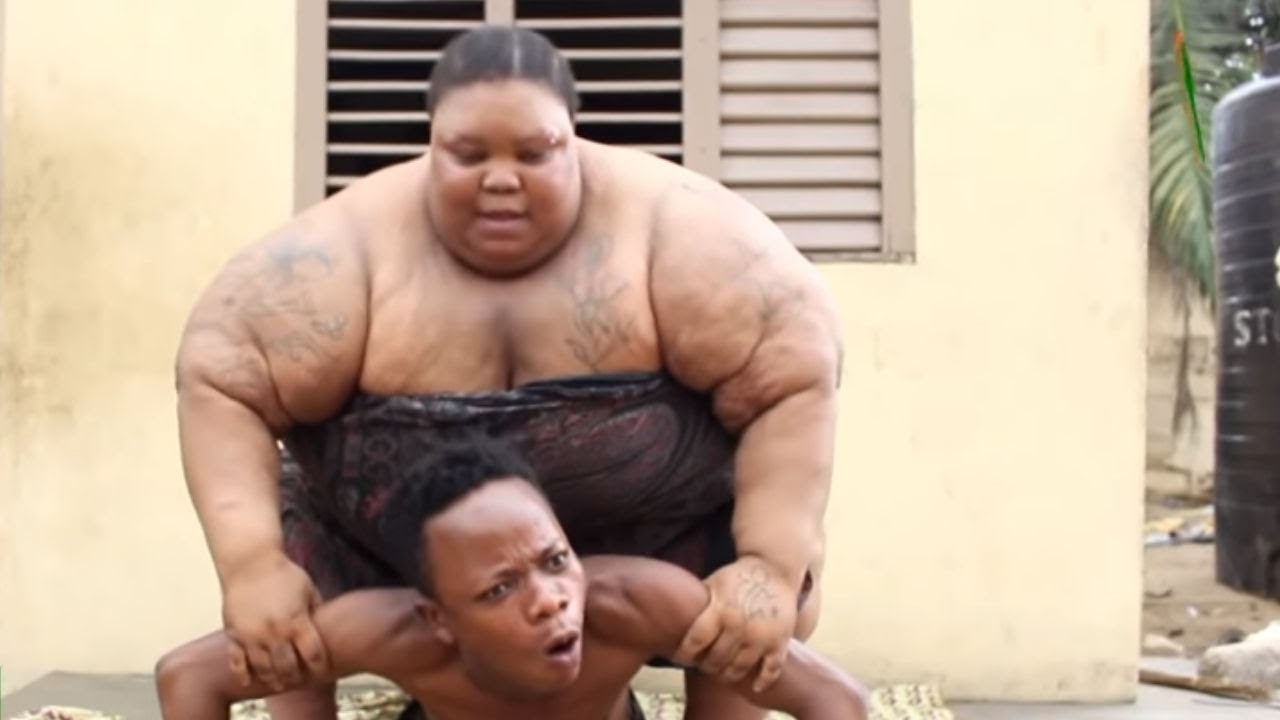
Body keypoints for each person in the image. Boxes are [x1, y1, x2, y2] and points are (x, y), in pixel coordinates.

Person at [175, 24, 841, 719]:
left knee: (762, 594)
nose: (501, 179)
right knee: (279, 603)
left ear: (572, 137)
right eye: (468, 155)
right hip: (391, 557)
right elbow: (222, 381)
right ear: (432, 144)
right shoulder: (339, 250)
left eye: (534, 152)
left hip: (654, 543)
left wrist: (768, 563)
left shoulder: (688, 230)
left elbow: (791, 381)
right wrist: (253, 565)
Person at [156, 439, 866, 720]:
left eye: (556, 562)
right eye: (499, 589)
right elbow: (188, 677)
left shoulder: (631, 602)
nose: (551, 601)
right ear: (438, 618)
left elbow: (836, 700)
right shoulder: (390, 632)